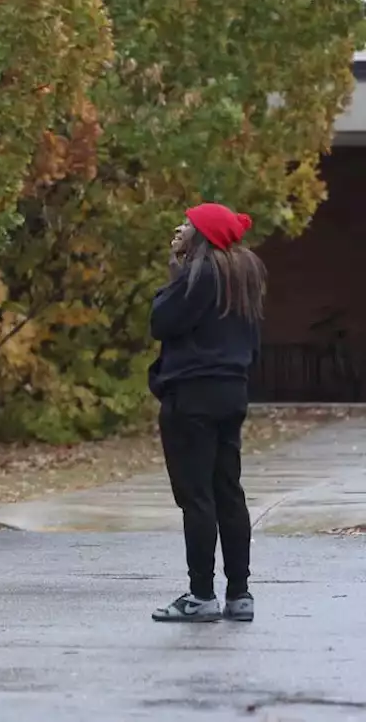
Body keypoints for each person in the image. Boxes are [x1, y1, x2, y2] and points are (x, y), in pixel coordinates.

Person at [148, 203, 266, 624]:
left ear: (202, 236)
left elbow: (161, 321)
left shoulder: (198, 276)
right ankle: (240, 593)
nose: (179, 228)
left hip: (192, 397)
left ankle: (201, 595)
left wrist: (174, 273)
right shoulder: (243, 278)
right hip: (231, 392)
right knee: (228, 492)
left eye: (187, 224)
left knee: (197, 498)